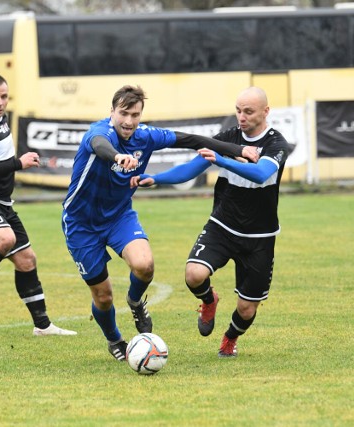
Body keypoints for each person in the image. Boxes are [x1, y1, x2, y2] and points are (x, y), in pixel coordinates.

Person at [62, 85, 259, 361]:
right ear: (112, 112)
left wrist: (237, 149)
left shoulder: (146, 137)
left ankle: (135, 302)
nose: (129, 122)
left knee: (144, 266)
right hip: (81, 223)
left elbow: (191, 139)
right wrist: (118, 156)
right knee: (103, 296)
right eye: (123, 114)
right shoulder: (99, 133)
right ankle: (115, 339)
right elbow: (99, 146)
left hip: (118, 216)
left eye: (135, 114)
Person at [135, 86, 289, 358]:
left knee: (246, 309)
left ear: (266, 112)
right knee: (194, 274)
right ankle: (209, 300)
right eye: (238, 110)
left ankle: (230, 337)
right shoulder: (228, 138)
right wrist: (157, 179)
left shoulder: (276, 144)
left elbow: (260, 173)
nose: (241, 117)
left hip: (259, 237)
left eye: (249, 111)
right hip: (223, 225)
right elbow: (192, 168)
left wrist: (222, 159)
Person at [0, 73, 76, 337]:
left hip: (1, 202)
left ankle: (42, 326)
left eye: (3, 96)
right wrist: (17, 164)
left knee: (26, 259)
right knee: (4, 239)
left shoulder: (0, 119)